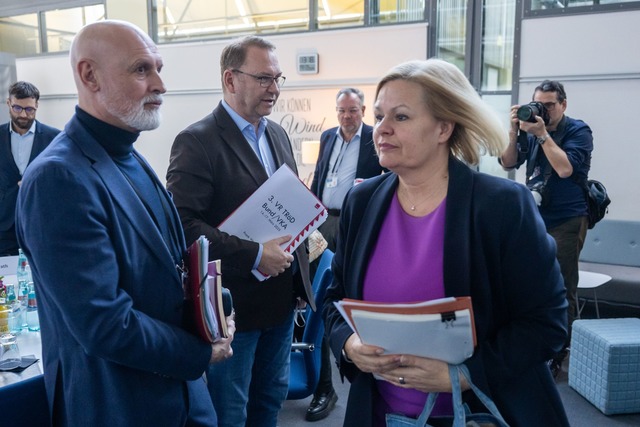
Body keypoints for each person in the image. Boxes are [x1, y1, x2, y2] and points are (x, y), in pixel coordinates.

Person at [323, 59, 570, 427]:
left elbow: (547, 323)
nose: (381, 129)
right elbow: (334, 299)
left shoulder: (501, 205)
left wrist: (465, 373)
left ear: (443, 128)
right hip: (379, 414)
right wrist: (349, 345)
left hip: (482, 413)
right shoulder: (362, 202)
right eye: (379, 115)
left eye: (401, 117)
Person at [15, 20, 234, 427]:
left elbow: (170, 270)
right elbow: (104, 323)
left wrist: (218, 313)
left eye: (158, 68)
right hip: (119, 405)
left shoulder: (128, 155)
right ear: (89, 75)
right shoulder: (58, 178)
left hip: (182, 397)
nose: (160, 85)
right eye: (141, 69)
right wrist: (200, 354)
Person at [166, 35, 314, 427]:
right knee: (230, 413)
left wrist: (300, 282)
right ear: (231, 80)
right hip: (232, 312)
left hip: (281, 303)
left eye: (278, 78)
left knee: (269, 403)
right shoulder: (196, 141)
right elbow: (182, 225)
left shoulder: (278, 134)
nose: (276, 89)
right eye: (265, 78)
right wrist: (253, 254)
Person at [499, 80, 592, 377]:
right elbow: (508, 163)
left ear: (563, 104)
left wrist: (542, 134)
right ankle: (532, 342)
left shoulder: (578, 131)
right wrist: (514, 132)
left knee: (563, 287)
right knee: (528, 281)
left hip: (568, 219)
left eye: (550, 104)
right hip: (535, 217)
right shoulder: (530, 127)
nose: (544, 110)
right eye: (539, 103)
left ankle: (558, 353)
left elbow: (565, 169)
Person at [306, 87, 385, 422]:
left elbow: (391, 178)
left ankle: (359, 371)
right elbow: (320, 178)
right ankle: (324, 383)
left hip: (356, 224)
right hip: (323, 222)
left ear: (363, 110)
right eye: (341, 111)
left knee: (344, 297)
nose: (346, 117)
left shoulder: (374, 137)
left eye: (352, 111)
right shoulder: (326, 136)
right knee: (317, 300)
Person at [0, 81, 60, 256]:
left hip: (41, 222)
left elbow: (61, 179)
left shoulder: (55, 138)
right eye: (17, 108)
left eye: (29, 109)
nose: (23, 115)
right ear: (8, 103)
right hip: (4, 225)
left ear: (37, 106)